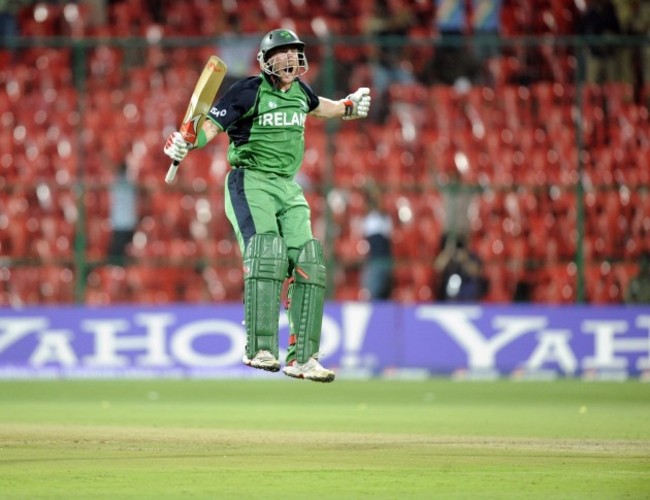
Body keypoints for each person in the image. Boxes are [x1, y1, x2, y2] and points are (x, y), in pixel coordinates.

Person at [163, 29, 371, 383]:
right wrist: (184, 144)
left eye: (294, 54)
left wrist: (348, 106)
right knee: (267, 253)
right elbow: (209, 129)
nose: (289, 60)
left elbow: (324, 107)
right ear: (265, 61)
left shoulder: (300, 93)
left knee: (308, 260)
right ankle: (259, 347)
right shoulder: (247, 91)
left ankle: (303, 358)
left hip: (288, 187)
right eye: (281, 55)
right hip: (250, 180)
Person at [361, 192, 393, 300]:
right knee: (373, 292)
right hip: (374, 261)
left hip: (384, 261)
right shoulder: (370, 219)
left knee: (385, 292)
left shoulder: (386, 219)